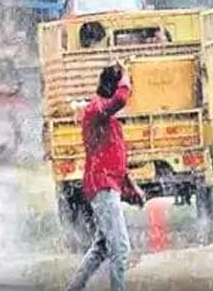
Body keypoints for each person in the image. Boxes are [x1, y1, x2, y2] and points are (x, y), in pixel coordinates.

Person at [65, 62, 144, 291]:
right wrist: (126, 77)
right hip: (101, 186)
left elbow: (116, 160)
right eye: (123, 86)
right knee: (121, 249)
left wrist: (132, 187)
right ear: (114, 86)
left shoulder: (109, 121)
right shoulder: (95, 110)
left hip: (107, 185)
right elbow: (120, 100)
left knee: (101, 247)